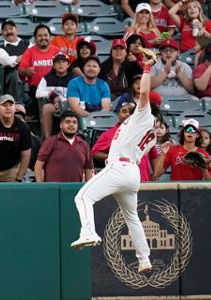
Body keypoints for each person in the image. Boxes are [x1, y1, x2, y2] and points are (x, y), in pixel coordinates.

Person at [70, 48, 160, 274]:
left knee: (82, 197)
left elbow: (145, 94)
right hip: (132, 173)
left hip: (120, 167)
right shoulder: (149, 132)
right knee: (132, 217)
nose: (130, 107)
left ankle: (88, 232)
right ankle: (144, 259)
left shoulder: (144, 116)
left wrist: (147, 67)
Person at [92, 101, 159, 181]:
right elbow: (95, 152)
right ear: (118, 115)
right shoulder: (110, 133)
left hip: (144, 180)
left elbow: (153, 155)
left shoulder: (143, 131)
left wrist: (155, 175)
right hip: (122, 180)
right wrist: (114, 158)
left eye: (131, 113)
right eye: (124, 111)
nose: (127, 114)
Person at [0, 94, 32, 182]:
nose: (8, 108)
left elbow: (26, 155)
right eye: (4, 105)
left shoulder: (23, 127)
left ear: (15, 108)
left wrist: (19, 177)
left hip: (12, 168)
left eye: (10, 105)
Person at [34, 111, 94, 182]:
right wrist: (40, 185)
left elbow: (88, 169)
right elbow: (39, 164)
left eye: (74, 122)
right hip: (54, 190)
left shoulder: (84, 145)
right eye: (68, 122)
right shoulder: (51, 142)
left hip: (76, 190)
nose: (71, 124)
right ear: (61, 125)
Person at [18, 24, 60, 117]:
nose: (43, 38)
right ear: (35, 38)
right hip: (37, 89)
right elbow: (20, 70)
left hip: (57, 86)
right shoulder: (29, 52)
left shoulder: (57, 51)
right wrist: (26, 71)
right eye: (40, 36)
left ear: (50, 37)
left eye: (45, 35)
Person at [36, 52, 75, 138]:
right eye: (57, 62)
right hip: (54, 105)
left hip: (69, 105)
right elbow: (38, 93)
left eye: (64, 62)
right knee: (46, 107)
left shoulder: (74, 79)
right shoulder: (47, 78)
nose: (60, 64)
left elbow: (77, 96)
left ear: (68, 65)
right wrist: (52, 95)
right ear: (53, 65)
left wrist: (62, 101)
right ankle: (47, 139)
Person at [0, 19, 30, 99]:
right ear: (2, 33)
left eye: (11, 29)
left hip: (28, 72)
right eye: (5, 30)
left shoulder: (27, 43)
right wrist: (25, 56)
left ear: (17, 30)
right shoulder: (0, 49)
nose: (9, 32)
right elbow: (7, 61)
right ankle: (17, 103)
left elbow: (34, 56)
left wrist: (18, 58)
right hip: (11, 78)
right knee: (14, 74)